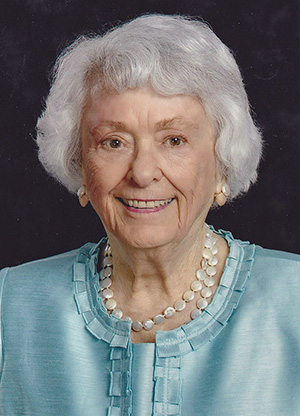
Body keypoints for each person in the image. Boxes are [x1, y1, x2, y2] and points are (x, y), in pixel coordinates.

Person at [0, 14, 299, 416]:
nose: (142, 173)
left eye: (173, 140)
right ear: (80, 163)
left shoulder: (292, 301)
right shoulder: (10, 305)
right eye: (114, 142)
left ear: (222, 163)